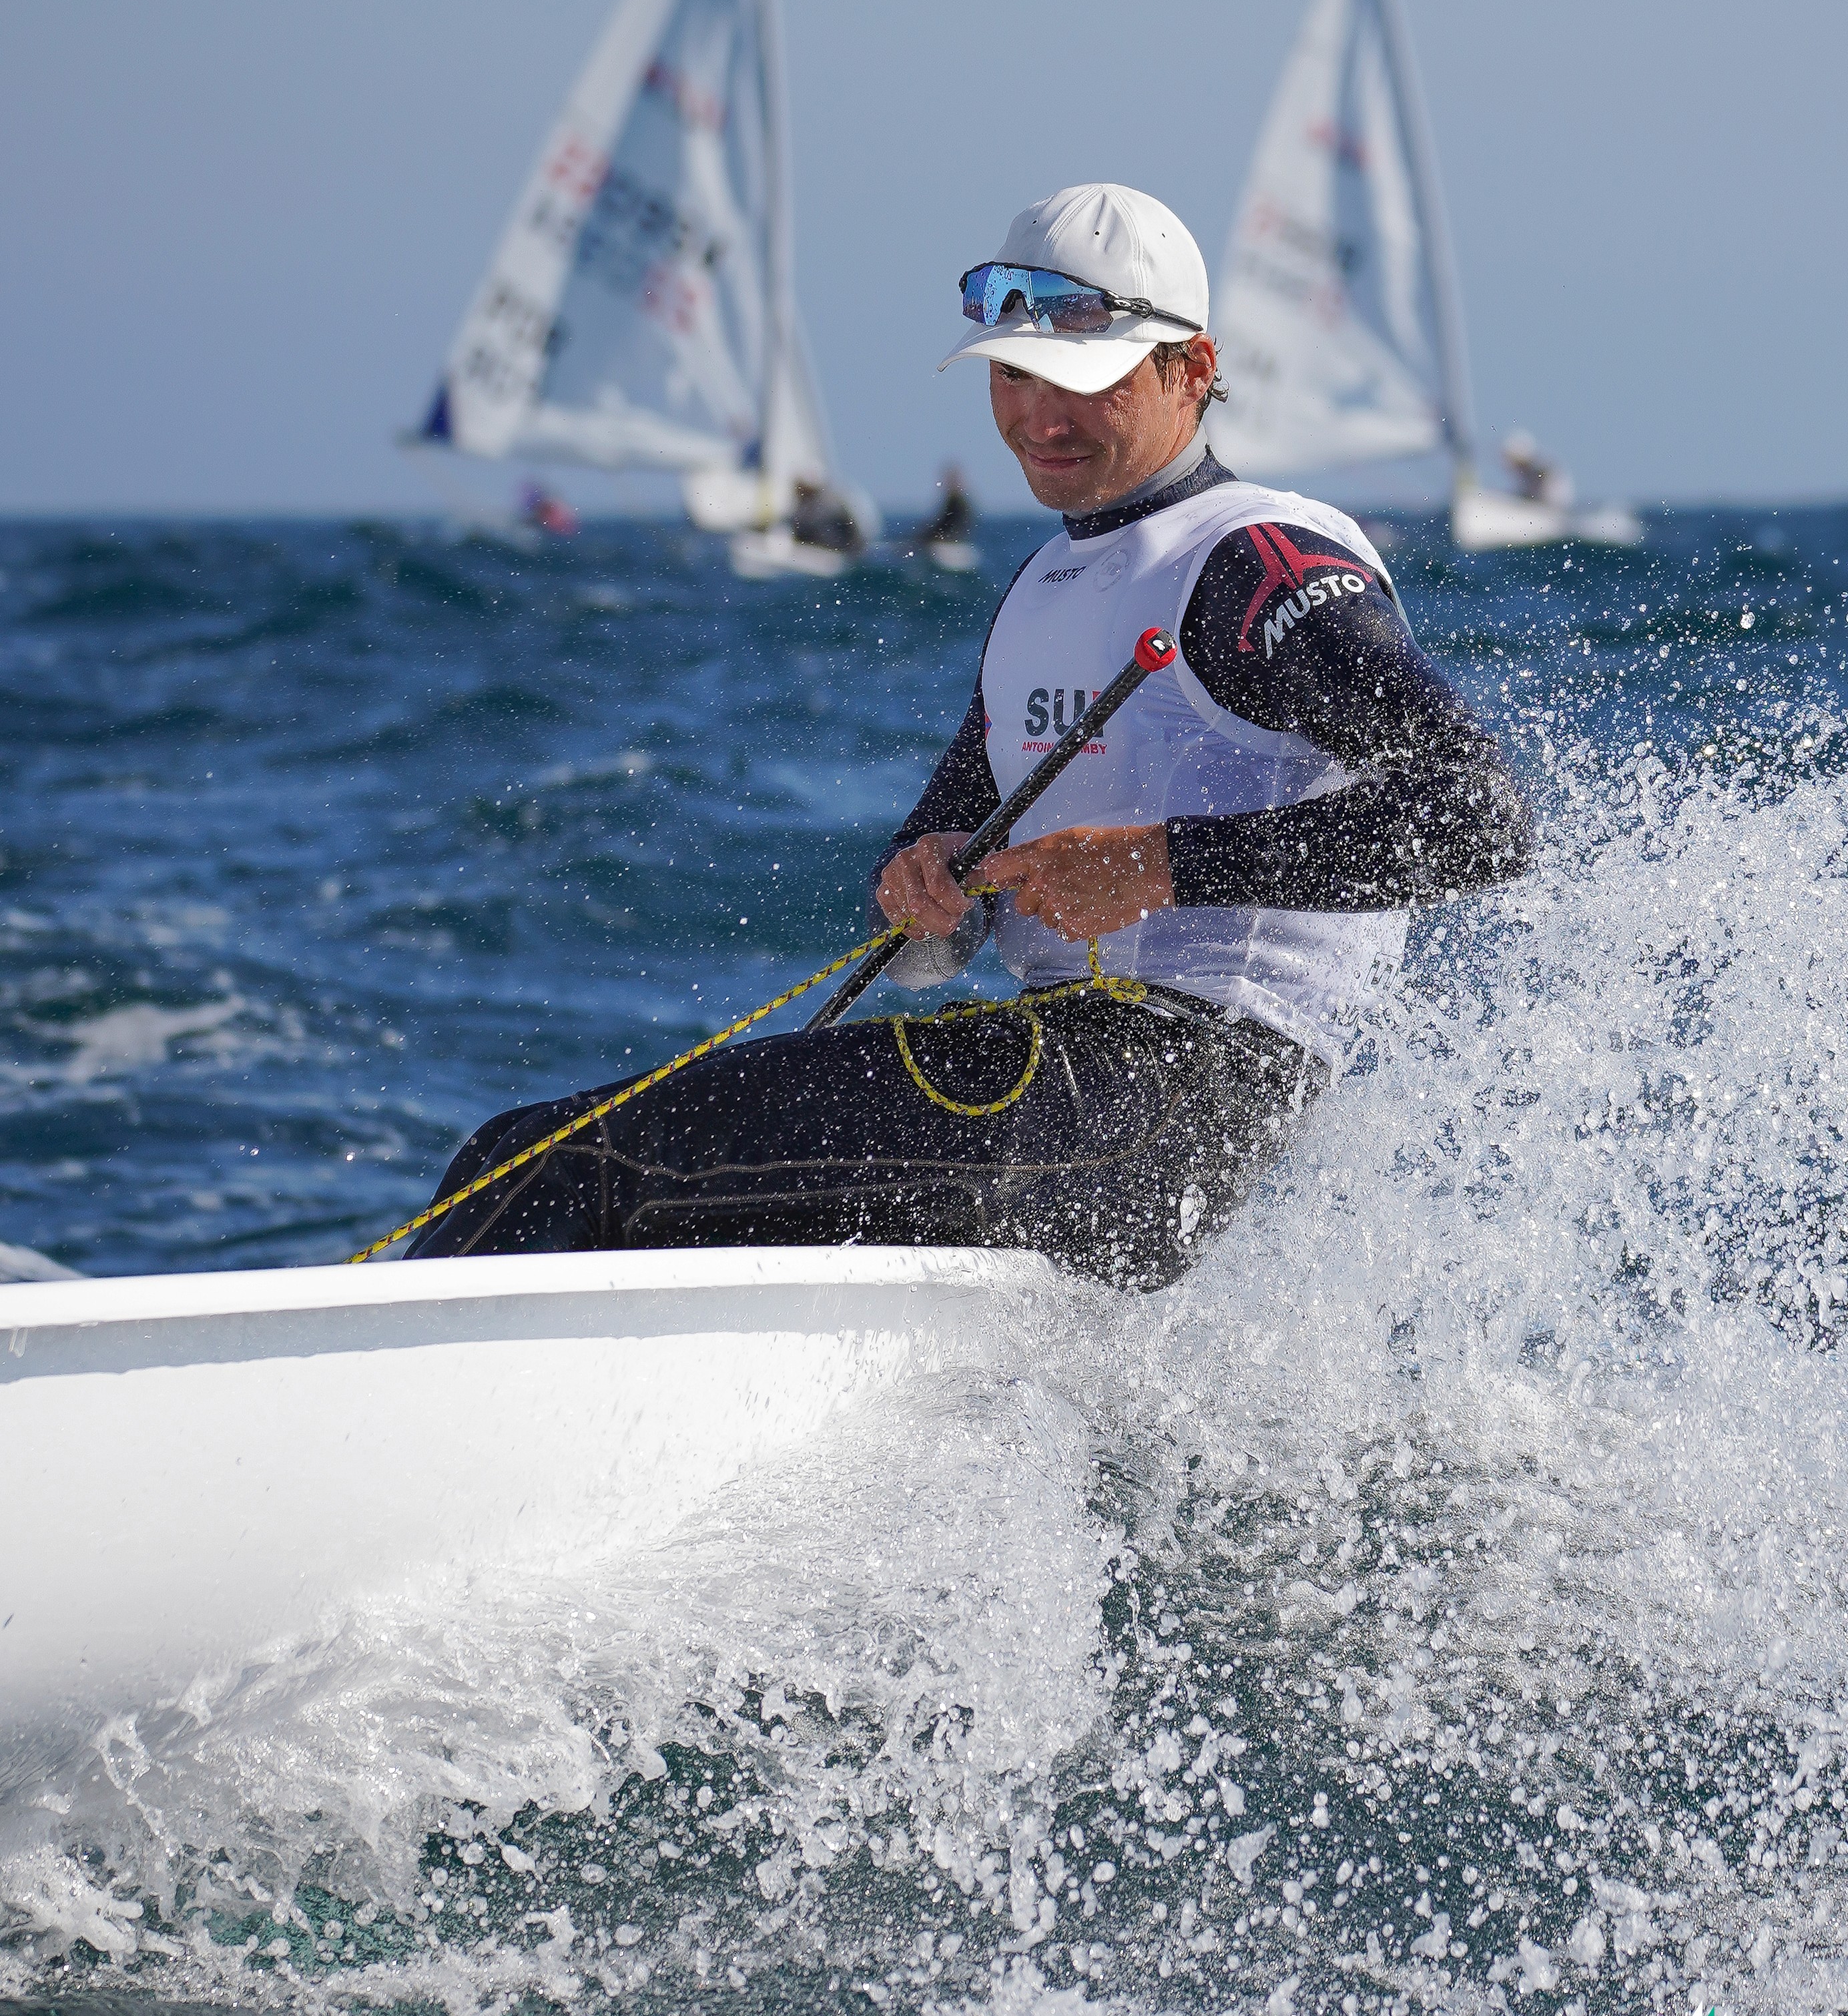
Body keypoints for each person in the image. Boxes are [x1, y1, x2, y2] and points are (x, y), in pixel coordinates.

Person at [410, 184, 1532, 1287]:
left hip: (1177, 1095)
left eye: (1082, 381)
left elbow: (1481, 815)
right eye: (1013, 374)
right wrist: (923, 894)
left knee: (554, 1166)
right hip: (1062, 1084)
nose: (1040, 418)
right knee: (564, 1173)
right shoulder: (1043, 588)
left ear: (1191, 369)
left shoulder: (1257, 561)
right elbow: (926, 935)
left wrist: (1159, 864)